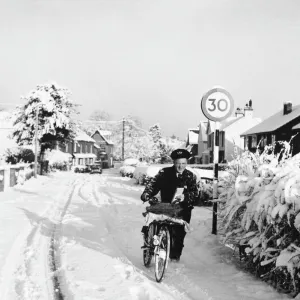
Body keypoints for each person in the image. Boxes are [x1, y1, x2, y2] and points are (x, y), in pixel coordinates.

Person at [141, 148, 198, 261]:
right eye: (178, 163)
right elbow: (153, 185)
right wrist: (147, 194)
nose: (180, 166)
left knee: (179, 235)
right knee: (158, 224)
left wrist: (185, 197)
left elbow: (196, 194)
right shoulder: (165, 173)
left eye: (183, 163)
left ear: (186, 163)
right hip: (165, 207)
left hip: (182, 210)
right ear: (174, 163)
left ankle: (174, 257)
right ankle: (154, 245)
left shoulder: (190, 176)